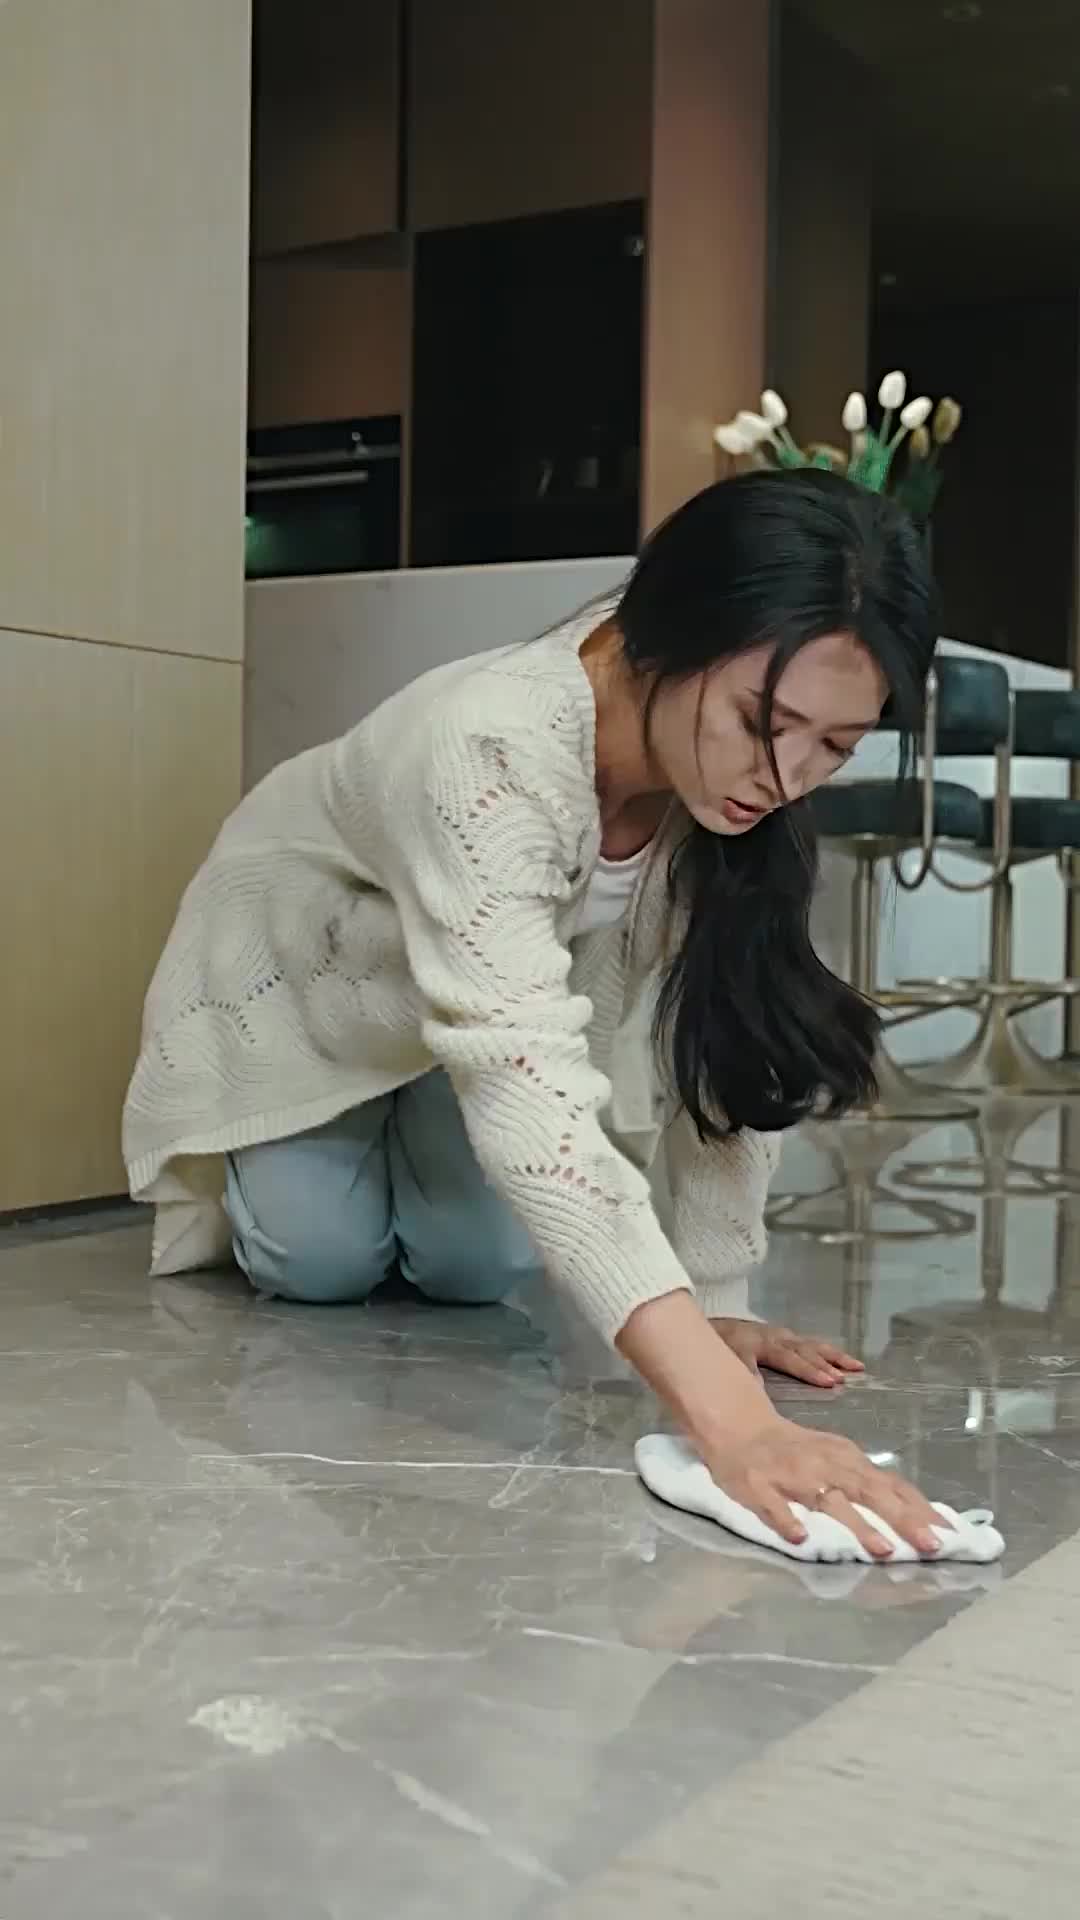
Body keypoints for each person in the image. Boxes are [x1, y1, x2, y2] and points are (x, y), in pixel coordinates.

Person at [124, 468, 944, 1560]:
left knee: (475, 1269)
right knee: (317, 1262)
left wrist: (717, 1304)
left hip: (469, 1020)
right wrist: (736, 1428)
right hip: (311, 995)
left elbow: (726, 1033)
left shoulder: (723, 794)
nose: (786, 777)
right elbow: (524, 1083)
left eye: (834, 746)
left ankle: (415, 1136)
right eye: (762, 722)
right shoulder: (489, 748)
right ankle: (303, 1151)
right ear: (667, 634)